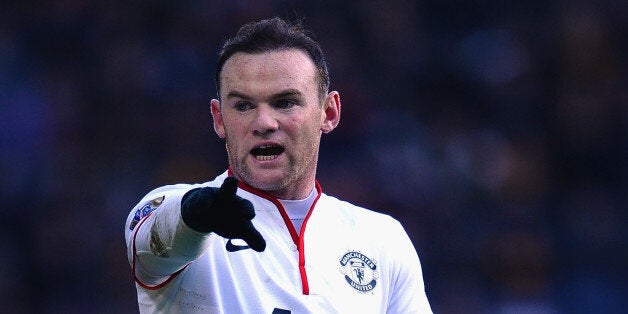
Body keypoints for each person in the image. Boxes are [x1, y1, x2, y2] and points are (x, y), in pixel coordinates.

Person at [124, 17, 432, 313]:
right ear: (219, 119)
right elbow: (159, 234)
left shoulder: (382, 239)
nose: (263, 123)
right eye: (243, 106)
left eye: (284, 103)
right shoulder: (179, 212)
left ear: (328, 112)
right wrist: (194, 216)